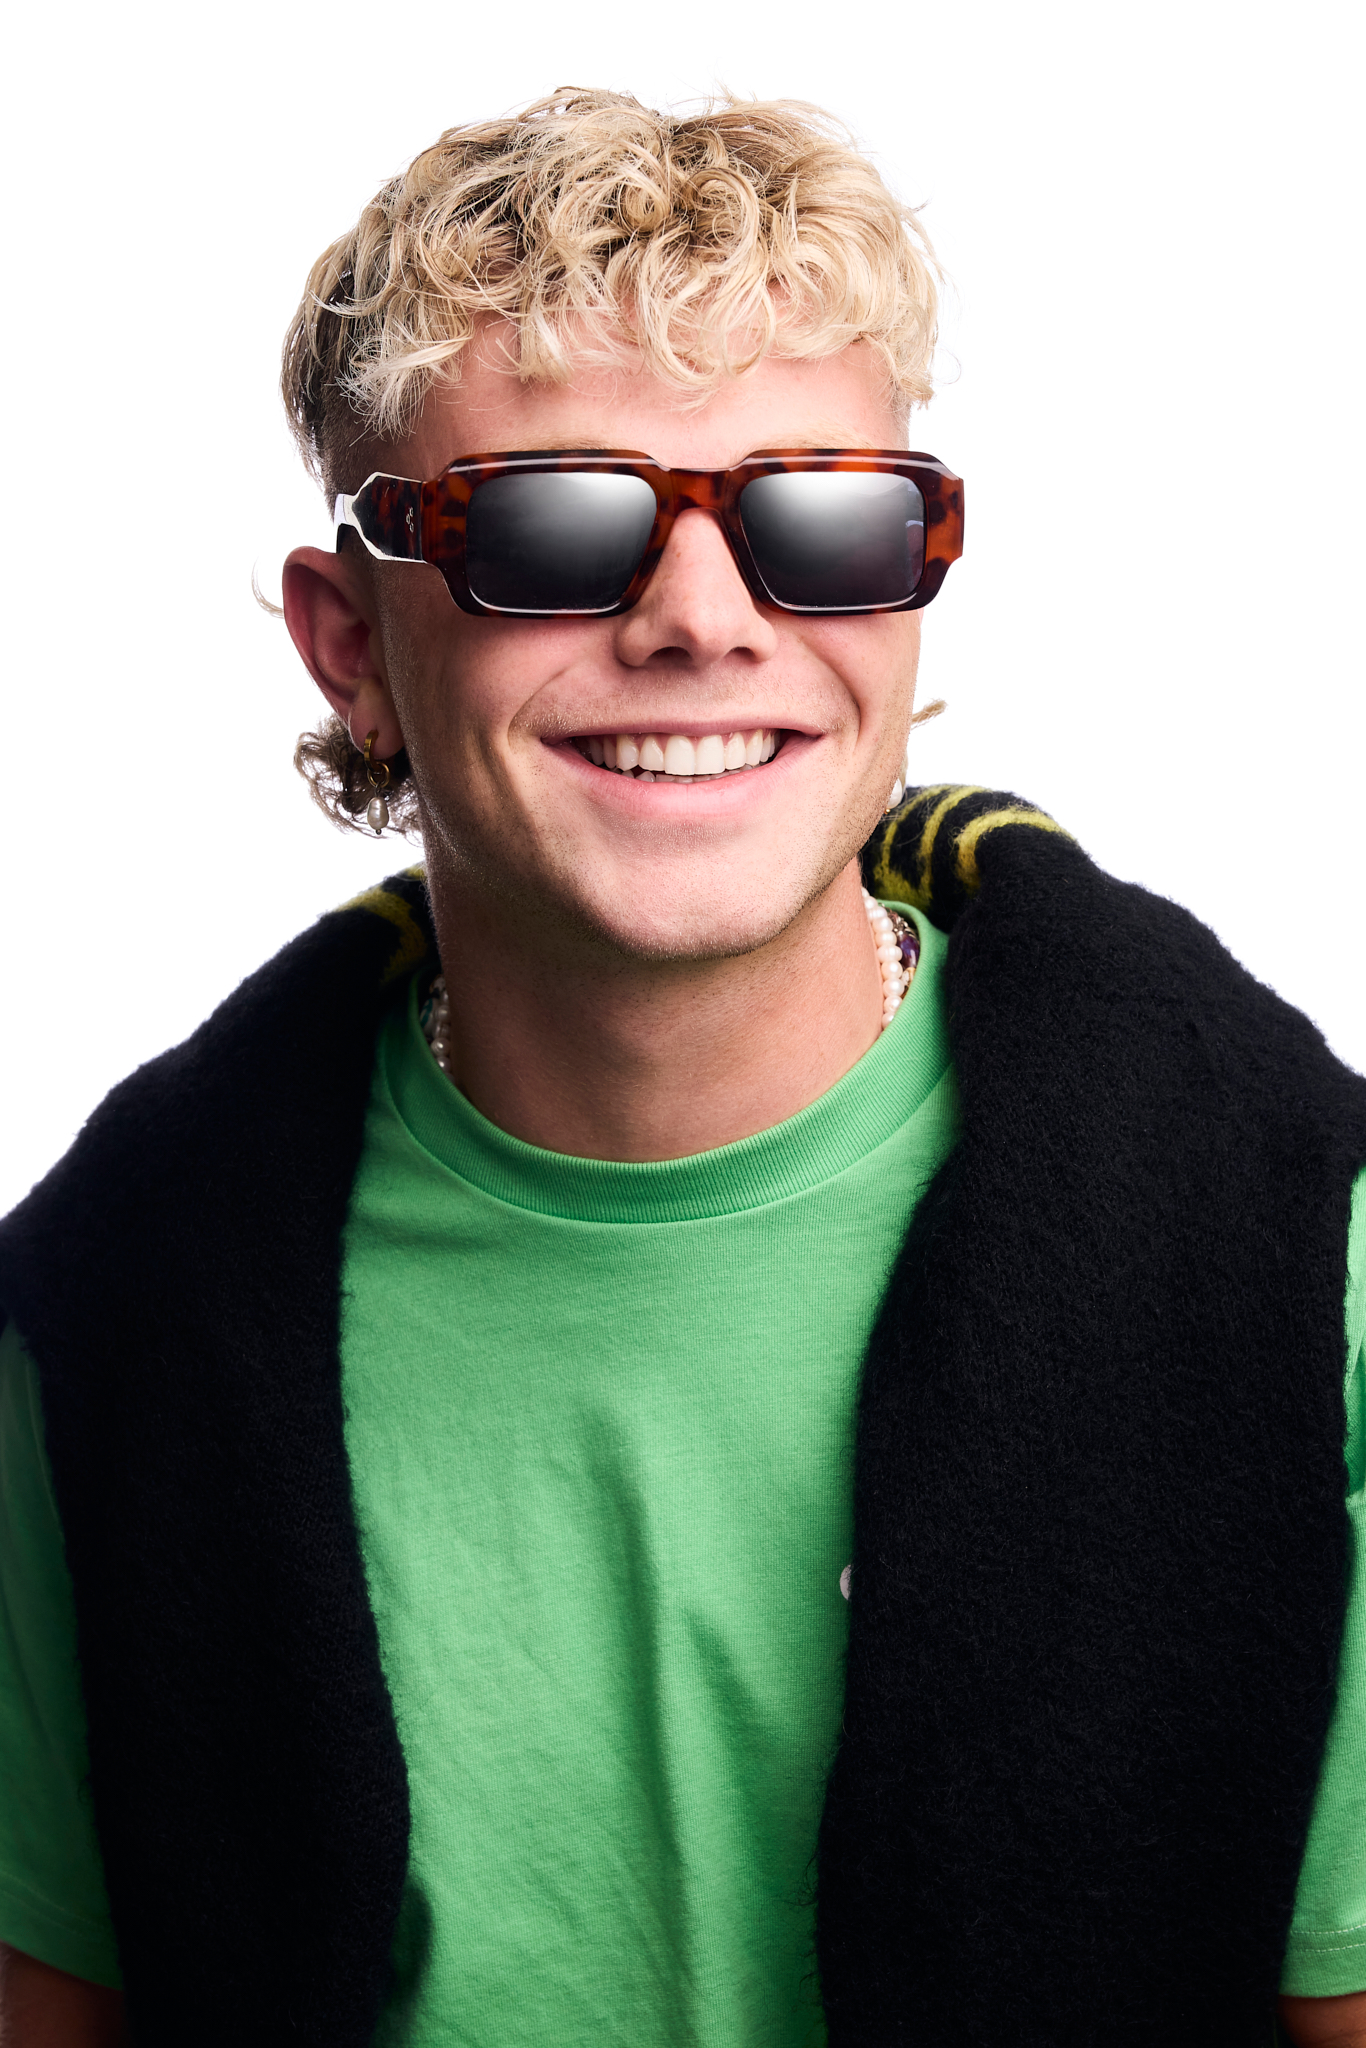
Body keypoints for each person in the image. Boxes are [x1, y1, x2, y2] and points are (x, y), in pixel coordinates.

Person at [0, 89, 1363, 2048]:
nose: (703, 621)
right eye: (553, 526)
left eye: (823, 522)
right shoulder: (95, 1326)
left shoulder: (1295, 1255)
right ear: (349, 647)